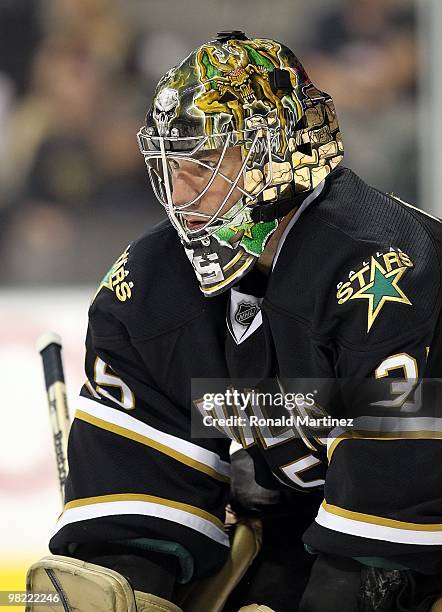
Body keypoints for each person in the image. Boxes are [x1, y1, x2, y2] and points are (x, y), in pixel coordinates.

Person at [41, 32, 442, 611]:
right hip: (306, 531)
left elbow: (388, 532)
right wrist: (120, 580)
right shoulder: (150, 290)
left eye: (203, 161)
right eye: (169, 163)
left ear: (273, 155)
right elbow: (134, 512)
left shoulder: (389, 268)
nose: (180, 192)